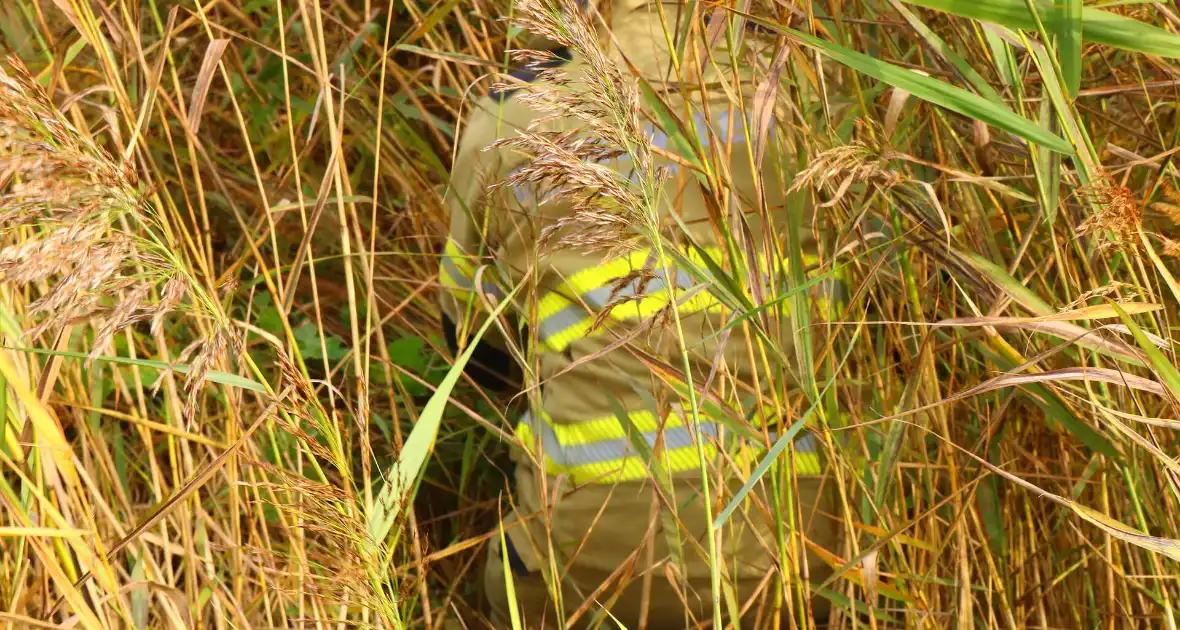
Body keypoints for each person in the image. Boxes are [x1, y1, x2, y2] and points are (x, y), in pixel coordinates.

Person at [438, 1, 844, 627]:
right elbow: (878, 327)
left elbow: (474, 346)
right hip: (803, 566)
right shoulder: (808, 96)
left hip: (580, 573)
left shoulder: (513, 114)